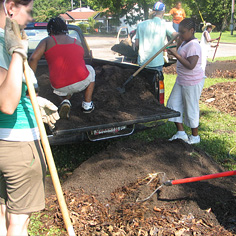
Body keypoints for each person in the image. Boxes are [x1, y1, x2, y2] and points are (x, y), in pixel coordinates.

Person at [0, 0, 59, 234]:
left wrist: (32, 96)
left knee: (2, 210)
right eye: (29, 12)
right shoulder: (5, 45)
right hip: (17, 142)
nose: (31, 19)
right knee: (18, 221)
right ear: (11, 7)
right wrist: (17, 52)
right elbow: (7, 103)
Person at [29, 17, 96, 119]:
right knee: (90, 69)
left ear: (50, 30)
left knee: (58, 83)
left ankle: (64, 101)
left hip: (59, 85)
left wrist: (30, 80)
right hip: (81, 81)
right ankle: (87, 104)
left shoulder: (47, 41)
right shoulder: (76, 42)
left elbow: (33, 58)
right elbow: (78, 60)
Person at [166, 18, 204, 145]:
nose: (180, 34)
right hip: (181, 79)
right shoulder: (185, 41)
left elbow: (190, 65)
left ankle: (195, 137)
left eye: (183, 32)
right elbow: (180, 52)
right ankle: (181, 133)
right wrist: (178, 42)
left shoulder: (194, 45)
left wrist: (176, 54)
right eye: (179, 32)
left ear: (192, 31)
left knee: (191, 108)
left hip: (192, 82)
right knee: (173, 103)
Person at [135, 1, 177, 73]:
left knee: (142, 83)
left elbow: (136, 44)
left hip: (142, 62)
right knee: (156, 84)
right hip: (156, 63)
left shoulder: (141, 25)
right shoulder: (164, 24)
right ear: (163, 12)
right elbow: (176, 35)